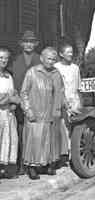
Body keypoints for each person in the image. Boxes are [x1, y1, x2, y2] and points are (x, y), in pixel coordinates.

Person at [20, 47, 64, 180]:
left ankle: (48, 165)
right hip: (35, 112)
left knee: (49, 140)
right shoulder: (32, 72)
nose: (51, 62)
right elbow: (24, 93)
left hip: (50, 113)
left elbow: (60, 92)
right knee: (35, 139)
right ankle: (32, 167)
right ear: (42, 58)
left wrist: (57, 109)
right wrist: (28, 110)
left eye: (53, 59)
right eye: (48, 58)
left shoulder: (56, 73)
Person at [11, 30, 41, 174]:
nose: (28, 44)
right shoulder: (16, 61)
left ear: (35, 44)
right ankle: (20, 164)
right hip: (19, 103)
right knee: (20, 133)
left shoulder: (39, 60)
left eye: (31, 42)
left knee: (34, 134)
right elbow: (15, 83)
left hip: (35, 102)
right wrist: (20, 101)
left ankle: (33, 165)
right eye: (26, 42)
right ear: (22, 44)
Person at [54, 43, 82, 162]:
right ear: (61, 54)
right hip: (62, 102)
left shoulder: (75, 68)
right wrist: (63, 102)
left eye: (71, 52)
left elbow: (78, 87)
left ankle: (74, 155)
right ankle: (63, 155)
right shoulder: (56, 67)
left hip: (74, 100)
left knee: (74, 128)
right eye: (68, 52)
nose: (70, 54)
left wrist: (80, 103)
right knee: (63, 128)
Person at [0, 48, 20, 178]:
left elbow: (13, 94)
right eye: (1, 58)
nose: (3, 60)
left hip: (8, 113)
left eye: (6, 58)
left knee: (9, 139)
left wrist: (13, 102)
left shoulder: (8, 76)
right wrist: (7, 98)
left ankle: (6, 169)